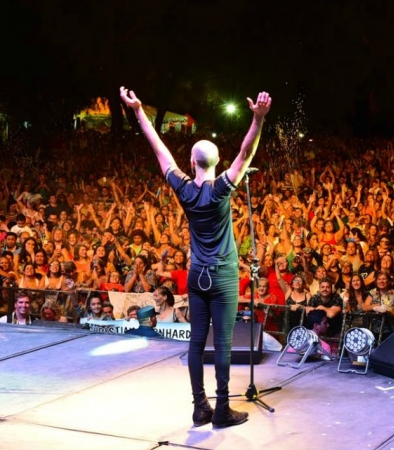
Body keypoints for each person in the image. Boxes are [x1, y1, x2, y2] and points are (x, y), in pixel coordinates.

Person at [121, 86, 271, 428]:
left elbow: (158, 149)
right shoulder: (221, 189)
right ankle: (221, 410)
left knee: (195, 342)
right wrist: (258, 119)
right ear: (219, 163)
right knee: (223, 344)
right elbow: (246, 152)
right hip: (222, 276)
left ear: (191, 162)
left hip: (196, 274)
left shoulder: (184, 189)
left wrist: (139, 111)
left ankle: (199, 407)